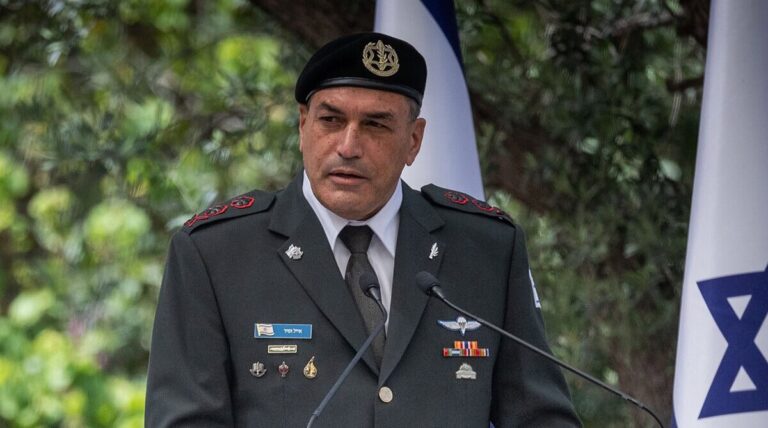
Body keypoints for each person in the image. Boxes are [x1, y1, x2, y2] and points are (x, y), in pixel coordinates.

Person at [146, 32, 580, 427]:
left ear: (414, 141)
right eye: (331, 120)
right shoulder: (216, 254)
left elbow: (540, 418)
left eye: (375, 125)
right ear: (302, 125)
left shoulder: (485, 249)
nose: (348, 147)